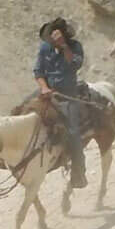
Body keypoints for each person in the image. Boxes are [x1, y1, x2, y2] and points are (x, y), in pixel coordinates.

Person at [33, 17, 93, 190]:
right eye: (51, 36)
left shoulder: (75, 47)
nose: (53, 39)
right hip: (47, 93)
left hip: (67, 95)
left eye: (56, 35)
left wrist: (64, 47)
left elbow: (75, 65)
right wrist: (44, 88)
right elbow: (38, 72)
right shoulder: (45, 49)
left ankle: (79, 172)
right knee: (23, 110)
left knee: (73, 131)